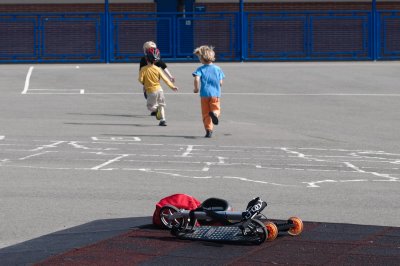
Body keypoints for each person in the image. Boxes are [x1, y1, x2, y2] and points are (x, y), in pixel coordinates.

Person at [139, 47, 178, 126]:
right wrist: (172, 86)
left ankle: (157, 110)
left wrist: (145, 84)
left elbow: (140, 79)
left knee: (150, 106)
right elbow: (165, 79)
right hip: (160, 90)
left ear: (147, 59)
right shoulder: (158, 69)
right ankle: (163, 120)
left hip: (151, 91)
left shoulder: (143, 69)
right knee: (161, 105)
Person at [192, 45, 225, 138]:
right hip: (215, 94)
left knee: (206, 114)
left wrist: (196, 88)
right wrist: (218, 85)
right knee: (216, 109)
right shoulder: (217, 69)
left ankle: (208, 130)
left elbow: (197, 79)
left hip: (204, 94)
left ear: (202, 58)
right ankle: (214, 114)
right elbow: (221, 82)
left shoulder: (200, 69)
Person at [140, 41, 175, 108]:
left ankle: (155, 108)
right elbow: (163, 67)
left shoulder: (156, 59)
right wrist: (170, 77)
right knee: (154, 93)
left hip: (150, 80)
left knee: (151, 94)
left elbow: (163, 67)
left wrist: (170, 76)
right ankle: (156, 107)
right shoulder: (145, 59)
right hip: (152, 80)